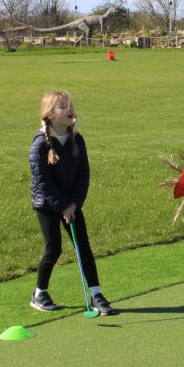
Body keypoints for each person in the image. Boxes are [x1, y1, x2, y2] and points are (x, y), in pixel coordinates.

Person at [28, 91, 114, 314]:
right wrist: (62, 205)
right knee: (53, 248)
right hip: (46, 204)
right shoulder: (40, 146)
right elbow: (44, 183)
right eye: (62, 106)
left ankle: (96, 294)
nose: (69, 109)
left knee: (83, 246)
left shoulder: (78, 139)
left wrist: (74, 204)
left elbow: (83, 175)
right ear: (50, 115)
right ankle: (39, 293)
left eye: (70, 105)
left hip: (71, 203)